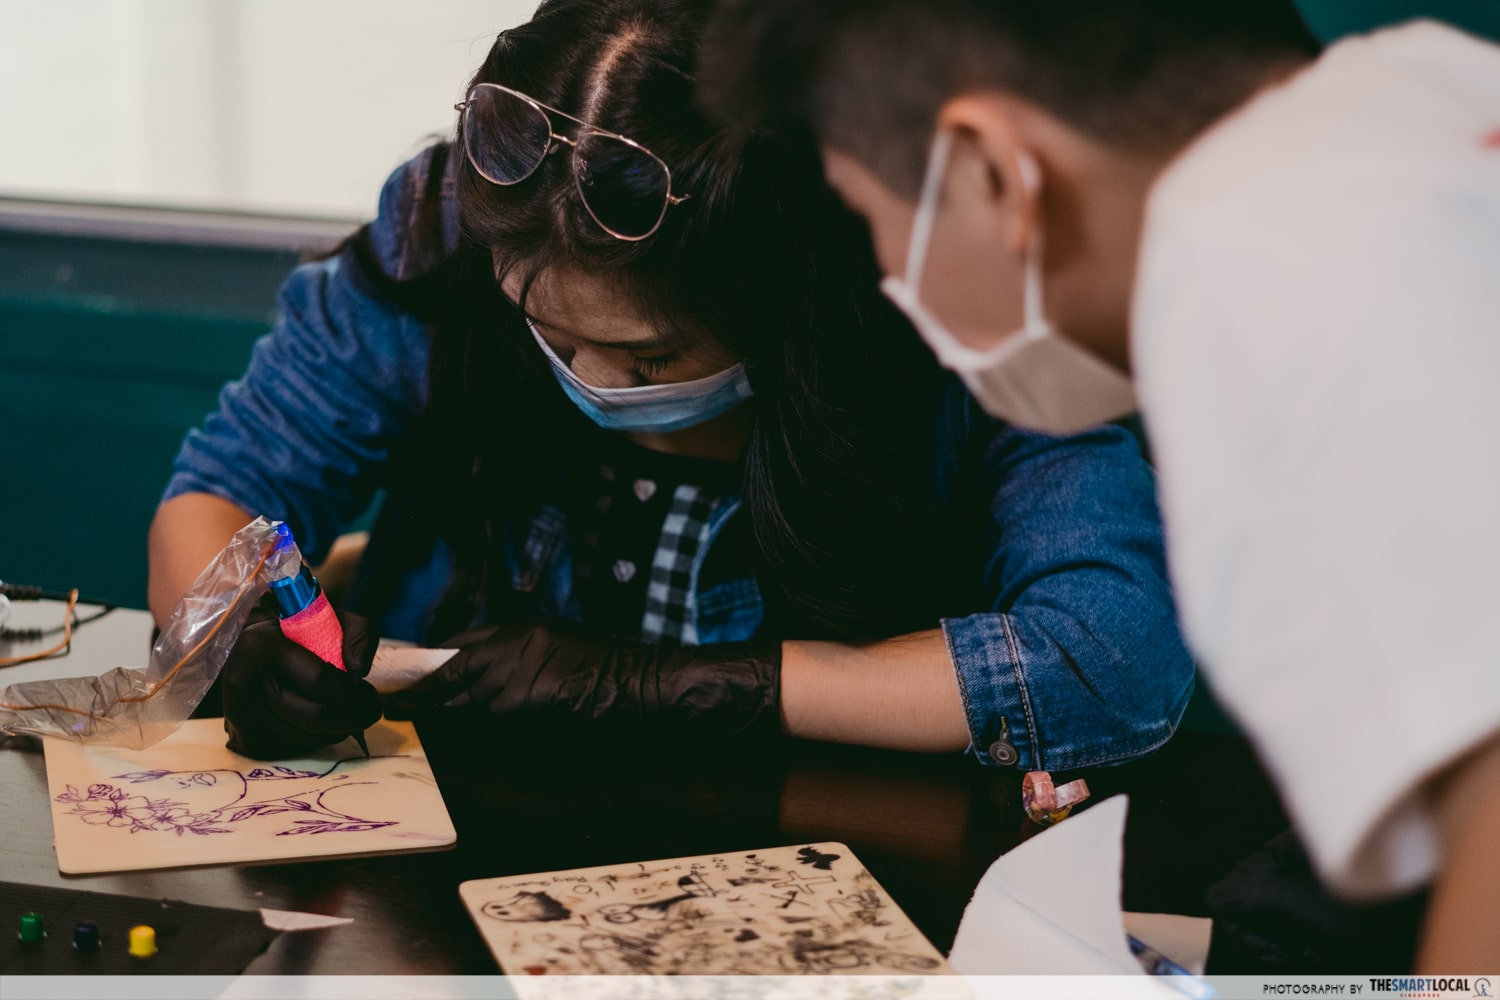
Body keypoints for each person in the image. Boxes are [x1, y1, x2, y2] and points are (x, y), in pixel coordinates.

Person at [147, 0, 1195, 780]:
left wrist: (670, 686)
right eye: (545, 331)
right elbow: (223, 488)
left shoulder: (959, 312)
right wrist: (240, 639)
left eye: (647, 361)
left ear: (791, 294)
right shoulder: (447, 223)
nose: (588, 381)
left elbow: (1113, 661)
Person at [699, 0, 1500, 971]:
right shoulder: (1422, 102)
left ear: (990, 173)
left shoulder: (1276, 288)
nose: (879, 275)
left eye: (866, 214)